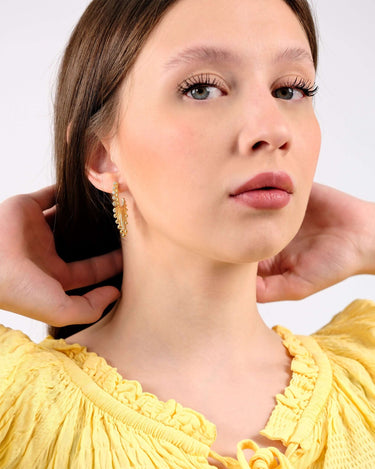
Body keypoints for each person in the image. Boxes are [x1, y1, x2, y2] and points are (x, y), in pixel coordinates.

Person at [0, 0, 374, 467]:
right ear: (101, 155)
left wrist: (368, 235)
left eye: (290, 89)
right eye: (201, 89)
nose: (273, 129)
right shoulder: (14, 406)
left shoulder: (368, 381)